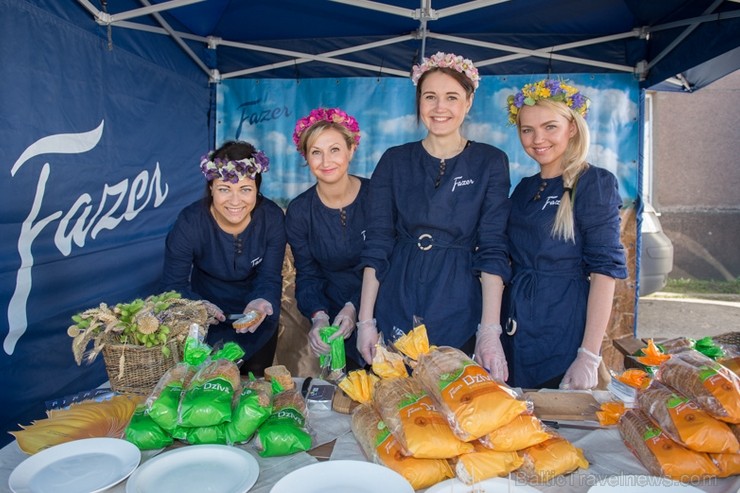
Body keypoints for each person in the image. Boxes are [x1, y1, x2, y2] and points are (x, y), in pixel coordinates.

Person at [356, 52, 512, 378]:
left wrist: (489, 330)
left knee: (454, 408)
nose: (440, 108)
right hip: (397, 295)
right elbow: (378, 243)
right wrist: (366, 321)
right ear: (419, 101)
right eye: (430, 97)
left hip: (459, 299)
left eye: (451, 97)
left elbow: (493, 248)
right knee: (396, 404)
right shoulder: (394, 160)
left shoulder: (490, 162)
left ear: (468, 102)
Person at [502, 79, 628, 390]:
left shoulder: (593, 183)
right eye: (527, 130)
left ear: (572, 128)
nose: (537, 139)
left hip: (561, 326)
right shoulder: (524, 188)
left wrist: (588, 354)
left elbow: (604, 272)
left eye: (549, 127)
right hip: (515, 324)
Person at [160, 140, 286, 376]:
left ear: (257, 189)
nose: (235, 201)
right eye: (224, 189)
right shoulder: (189, 222)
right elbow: (173, 286)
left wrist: (262, 301)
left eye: (245, 189)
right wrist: (198, 307)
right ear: (211, 188)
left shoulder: (272, 219)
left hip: (256, 321)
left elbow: (269, 276)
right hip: (205, 323)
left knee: (255, 389)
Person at [285, 108, 369, 370]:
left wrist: (355, 306)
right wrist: (318, 315)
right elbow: (308, 273)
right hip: (334, 319)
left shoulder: (378, 196)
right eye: (316, 152)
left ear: (351, 150)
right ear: (306, 157)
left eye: (334, 149)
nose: (325, 161)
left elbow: (390, 262)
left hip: (379, 309)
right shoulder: (299, 210)